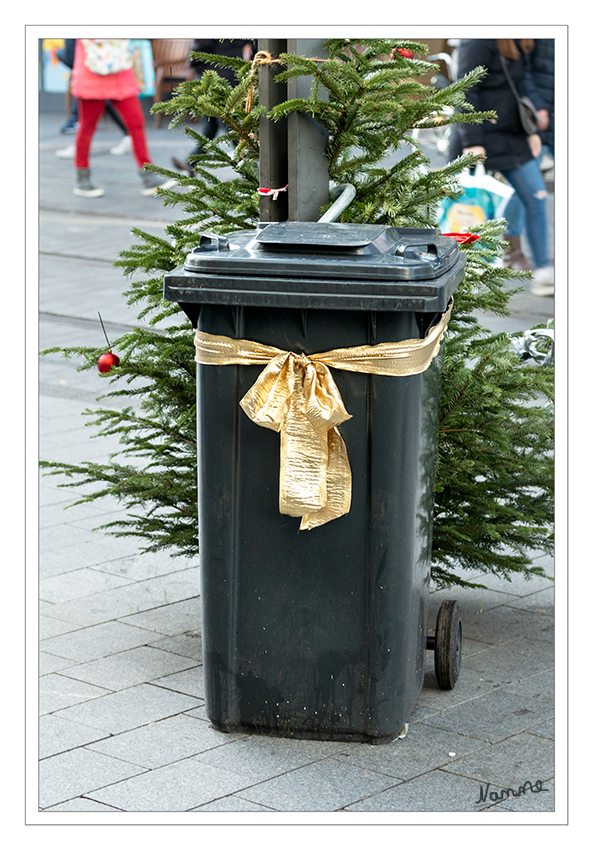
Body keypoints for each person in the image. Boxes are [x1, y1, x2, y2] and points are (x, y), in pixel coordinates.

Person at [450, 39, 554, 296]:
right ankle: (461, 276)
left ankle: (542, 270)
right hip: (479, 136)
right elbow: (465, 90)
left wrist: (530, 125)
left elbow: (521, 83)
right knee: (465, 209)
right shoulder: (478, 40)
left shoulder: (517, 39)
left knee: (536, 195)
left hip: (512, 136)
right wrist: (473, 142)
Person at [70, 38, 176, 197]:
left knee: (136, 123)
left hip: (120, 71)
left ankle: (148, 176)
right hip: (92, 72)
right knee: (87, 126)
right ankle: (82, 179)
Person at [171, 38, 255, 175]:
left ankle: (249, 172)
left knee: (230, 127)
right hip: (231, 73)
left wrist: (194, 61)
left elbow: (201, 47)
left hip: (215, 77)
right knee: (213, 124)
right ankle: (191, 164)